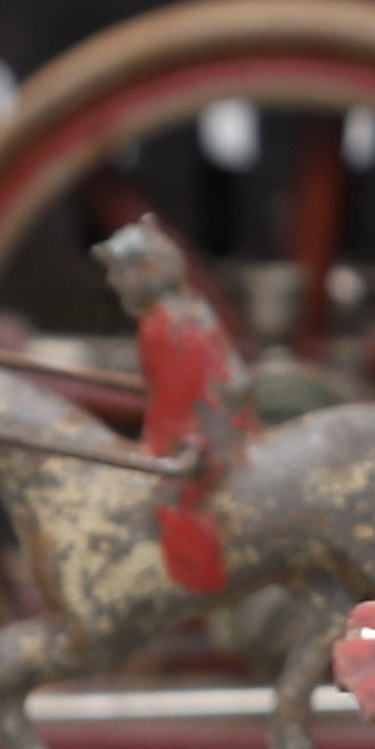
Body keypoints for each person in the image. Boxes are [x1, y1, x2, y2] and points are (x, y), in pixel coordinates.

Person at [95, 213, 252, 596]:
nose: (112, 282)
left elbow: (190, 396)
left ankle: (195, 583)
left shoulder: (165, 325)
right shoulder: (187, 310)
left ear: (146, 272)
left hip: (202, 441)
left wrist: (184, 448)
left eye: (119, 272)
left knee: (166, 508)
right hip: (204, 431)